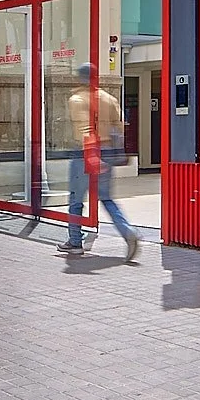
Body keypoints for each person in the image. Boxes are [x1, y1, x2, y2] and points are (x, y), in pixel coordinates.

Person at [60, 61, 139, 261]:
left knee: (76, 199)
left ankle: (75, 242)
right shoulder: (109, 98)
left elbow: (84, 128)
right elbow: (120, 127)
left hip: (85, 153)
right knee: (106, 198)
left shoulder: (77, 99)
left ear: (80, 78)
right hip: (107, 151)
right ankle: (127, 231)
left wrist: (91, 155)